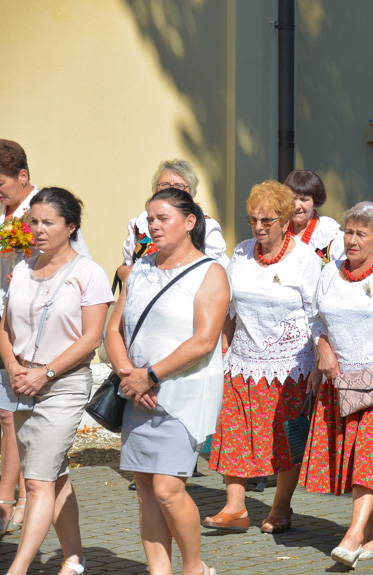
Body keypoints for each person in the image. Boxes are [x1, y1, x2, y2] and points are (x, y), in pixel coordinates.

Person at [105, 187, 230, 575]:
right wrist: (130, 375)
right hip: (136, 393)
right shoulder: (139, 269)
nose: (153, 226)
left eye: (163, 218)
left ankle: (194, 568)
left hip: (181, 393)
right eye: (150, 219)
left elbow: (204, 341)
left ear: (189, 222)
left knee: (167, 489)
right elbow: (113, 330)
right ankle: (159, 570)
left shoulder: (210, 273)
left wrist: (152, 375)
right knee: (145, 490)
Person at [300, 201, 373, 569]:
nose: (351, 240)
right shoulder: (330, 273)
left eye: (360, 234)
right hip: (341, 383)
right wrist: (323, 350)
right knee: (360, 464)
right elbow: (316, 319)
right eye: (348, 232)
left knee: (370, 460)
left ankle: (353, 537)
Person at [0, 188, 112, 575]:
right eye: (32, 222)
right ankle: (74, 558)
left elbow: (91, 339)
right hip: (19, 382)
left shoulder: (89, 274)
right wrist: (14, 367)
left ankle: (17, 569)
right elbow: (4, 326)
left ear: (71, 226)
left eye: (48, 222)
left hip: (61, 384)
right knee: (54, 474)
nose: (37, 230)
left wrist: (45, 372)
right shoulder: (21, 269)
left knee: (35, 483)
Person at [204, 181, 321, 534]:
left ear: (286, 221)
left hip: (290, 366)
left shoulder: (305, 260)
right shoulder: (240, 254)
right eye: (253, 219)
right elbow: (227, 308)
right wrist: (222, 350)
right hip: (242, 360)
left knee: (286, 437)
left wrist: (319, 364)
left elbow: (318, 315)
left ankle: (281, 508)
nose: (258, 227)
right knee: (234, 432)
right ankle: (235, 508)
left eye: (267, 220)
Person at [0, 139, 92, 534]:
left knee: (16, 424)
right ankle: (69, 550)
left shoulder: (49, 213)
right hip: (10, 327)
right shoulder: (4, 215)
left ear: (22, 177)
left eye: (1, 183)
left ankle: (12, 497)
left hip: (45, 344)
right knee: (11, 419)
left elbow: (76, 269)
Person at [116, 159, 229, 283]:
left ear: (191, 192)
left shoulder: (206, 225)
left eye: (179, 185)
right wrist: (124, 272)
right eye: (165, 184)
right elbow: (127, 264)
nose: (171, 189)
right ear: (155, 189)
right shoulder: (139, 223)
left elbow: (214, 273)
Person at [284, 169, 344, 263]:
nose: (297, 206)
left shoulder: (329, 236)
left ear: (315, 201)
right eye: (292, 199)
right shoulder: (279, 229)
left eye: (304, 200)